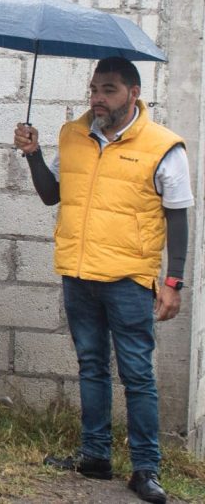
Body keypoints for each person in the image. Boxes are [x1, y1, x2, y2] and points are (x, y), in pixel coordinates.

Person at [14, 57, 191, 504]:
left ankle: (145, 468)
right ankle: (95, 456)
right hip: (78, 273)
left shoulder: (164, 145)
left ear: (134, 94)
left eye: (109, 89)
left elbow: (178, 216)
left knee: (137, 375)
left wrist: (174, 281)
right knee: (90, 366)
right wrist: (33, 155)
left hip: (129, 279)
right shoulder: (72, 135)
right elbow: (52, 194)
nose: (98, 97)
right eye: (94, 88)